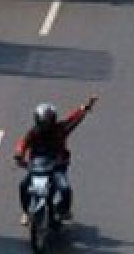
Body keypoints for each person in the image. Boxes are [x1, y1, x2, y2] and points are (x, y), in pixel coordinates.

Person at [14, 96, 99, 224]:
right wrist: (19, 155)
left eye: (47, 121)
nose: (45, 124)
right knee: (23, 186)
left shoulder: (61, 129)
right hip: (37, 166)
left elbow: (73, 119)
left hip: (56, 166)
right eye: (43, 121)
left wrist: (86, 107)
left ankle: (63, 210)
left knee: (65, 188)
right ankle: (26, 211)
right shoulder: (33, 132)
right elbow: (23, 143)